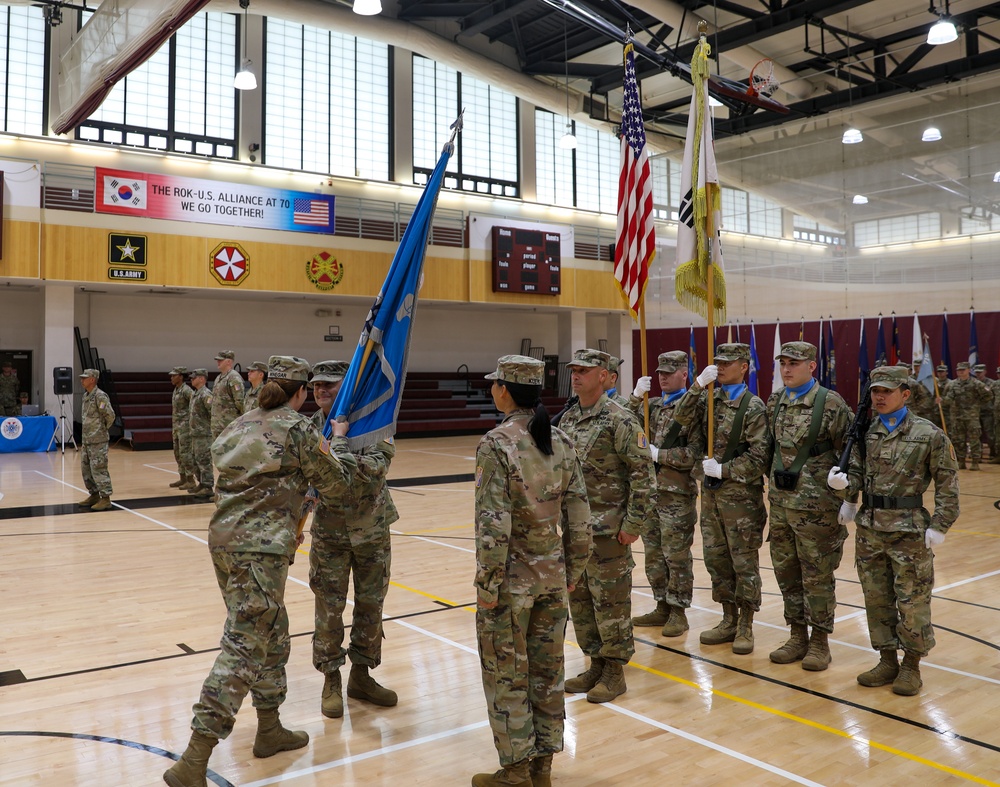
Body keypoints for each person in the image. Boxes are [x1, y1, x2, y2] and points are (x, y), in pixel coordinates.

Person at [163, 356, 357, 787]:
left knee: (272, 630)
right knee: (245, 645)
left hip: (225, 541)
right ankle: (194, 758)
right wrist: (337, 440)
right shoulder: (299, 428)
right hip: (260, 548)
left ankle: (269, 728)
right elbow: (336, 482)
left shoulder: (239, 424)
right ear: (301, 391)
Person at [472, 354, 592, 787]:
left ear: (505, 390)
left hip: (510, 582)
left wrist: (486, 584)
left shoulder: (496, 443)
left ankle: (517, 769)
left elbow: (492, 526)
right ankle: (543, 767)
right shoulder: (560, 440)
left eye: (494, 383)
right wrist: (573, 568)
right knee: (547, 672)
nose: (491, 390)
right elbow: (580, 516)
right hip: (553, 578)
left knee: (507, 673)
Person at [828, 365, 959, 696]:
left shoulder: (928, 434)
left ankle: (911, 666)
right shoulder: (865, 432)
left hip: (909, 530)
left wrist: (940, 524)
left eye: (887, 391)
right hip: (871, 529)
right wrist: (845, 488)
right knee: (877, 598)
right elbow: (857, 473)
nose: (880, 396)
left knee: (912, 601)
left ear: (905, 394)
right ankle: (887, 660)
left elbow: (948, 482)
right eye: (875, 391)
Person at [557, 349, 654, 703]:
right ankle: (595, 663)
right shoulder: (567, 420)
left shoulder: (620, 419)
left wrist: (634, 523)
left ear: (603, 376)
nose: (576, 375)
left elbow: (643, 474)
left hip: (610, 531)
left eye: (584, 370)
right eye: (574, 370)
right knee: (580, 601)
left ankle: (614, 672)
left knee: (610, 603)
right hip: (575, 532)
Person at [307, 360, 400, 719]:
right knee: (329, 608)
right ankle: (331, 678)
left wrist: (341, 439)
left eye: (329, 385)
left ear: (347, 387)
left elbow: (368, 472)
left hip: (371, 529)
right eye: (316, 386)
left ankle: (361, 675)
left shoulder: (376, 423)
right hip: (329, 531)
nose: (321, 392)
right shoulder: (308, 427)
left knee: (371, 606)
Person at [673, 343, 770, 655]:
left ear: (744, 367)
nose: (722, 367)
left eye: (728, 363)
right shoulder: (707, 400)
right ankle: (728, 617)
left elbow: (759, 456)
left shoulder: (753, 406)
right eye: (718, 363)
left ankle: (745, 623)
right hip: (712, 498)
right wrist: (697, 385)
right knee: (716, 560)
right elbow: (679, 420)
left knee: (743, 562)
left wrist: (725, 469)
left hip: (740, 500)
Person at [765, 342, 852, 671]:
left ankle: (819, 641)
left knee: (817, 575)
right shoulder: (775, 401)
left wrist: (849, 496)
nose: (787, 369)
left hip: (817, 507)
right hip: (781, 504)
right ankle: (797, 634)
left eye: (794, 363)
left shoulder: (830, 403)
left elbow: (850, 453)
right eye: (783, 363)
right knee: (787, 573)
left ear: (812, 367)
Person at [629, 350, 704, 637]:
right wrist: (636, 397)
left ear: (684, 374)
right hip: (650, 494)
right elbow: (623, 420)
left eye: (669, 372)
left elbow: (695, 453)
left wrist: (661, 454)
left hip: (677, 495)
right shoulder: (653, 406)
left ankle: (678, 611)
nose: (662, 377)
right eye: (660, 372)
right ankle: (661, 604)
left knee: (676, 556)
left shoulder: (694, 409)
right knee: (654, 555)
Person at [76, 368, 117, 511]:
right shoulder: (86, 395)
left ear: (92, 379)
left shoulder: (100, 396)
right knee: (86, 469)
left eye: (84, 377)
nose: (82, 380)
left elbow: (110, 415)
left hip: (98, 441)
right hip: (87, 440)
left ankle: (105, 498)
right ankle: (94, 494)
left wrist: (101, 430)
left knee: (99, 469)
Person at [942, 361, 991, 470]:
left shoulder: (976, 383)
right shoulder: (951, 384)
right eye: (958, 370)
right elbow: (946, 400)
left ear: (969, 370)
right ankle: (961, 461)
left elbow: (988, 395)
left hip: (971, 417)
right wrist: (941, 401)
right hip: (957, 417)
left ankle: (975, 462)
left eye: (963, 370)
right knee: (958, 440)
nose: (960, 372)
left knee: (974, 440)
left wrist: (977, 404)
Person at [188, 369, 215, 499]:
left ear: (202, 379)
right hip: (195, 434)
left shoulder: (206, 395)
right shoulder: (195, 394)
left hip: (204, 434)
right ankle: (201, 483)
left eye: (195, 377)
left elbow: (213, 413)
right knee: (195, 460)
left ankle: (208, 486)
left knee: (204, 461)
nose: (192, 379)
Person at [169, 367, 196, 491]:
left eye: (174, 375)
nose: (171, 378)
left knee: (186, 454)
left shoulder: (186, 390)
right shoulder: (176, 390)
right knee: (178, 453)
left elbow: (194, 406)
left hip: (185, 427)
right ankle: (183, 477)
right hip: (177, 427)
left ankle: (191, 480)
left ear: (180, 376)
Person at [211, 350, 246, 439]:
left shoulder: (234, 378)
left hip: (228, 426)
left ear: (229, 361)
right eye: (218, 360)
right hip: (217, 426)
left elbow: (240, 402)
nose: (218, 362)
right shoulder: (219, 378)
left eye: (221, 360)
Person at [973, 363, 996, 459]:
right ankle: (978, 454)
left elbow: (995, 397)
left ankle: (993, 453)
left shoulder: (991, 383)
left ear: (985, 372)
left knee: (990, 434)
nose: (978, 374)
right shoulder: (972, 383)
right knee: (976, 435)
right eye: (977, 372)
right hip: (975, 413)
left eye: (980, 372)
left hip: (987, 413)